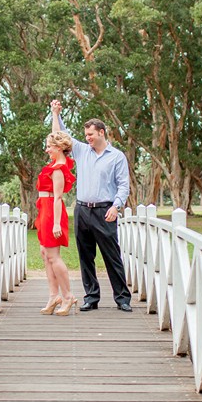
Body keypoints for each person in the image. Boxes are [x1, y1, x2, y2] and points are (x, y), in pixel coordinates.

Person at [51, 100, 132, 312]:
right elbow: (64, 135)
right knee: (85, 256)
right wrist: (56, 113)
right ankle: (91, 297)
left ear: (102, 133)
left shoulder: (117, 157)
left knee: (112, 256)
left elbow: (123, 185)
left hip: (105, 210)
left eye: (91, 134)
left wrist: (116, 206)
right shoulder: (82, 151)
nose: (87, 138)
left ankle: (122, 298)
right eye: (86, 134)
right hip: (82, 210)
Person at [35, 130, 78, 316]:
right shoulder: (54, 164)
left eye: (50, 147)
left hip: (53, 212)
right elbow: (55, 132)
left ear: (59, 148)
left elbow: (59, 198)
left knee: (53, 256)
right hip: (44, 209)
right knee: (45, 253)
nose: (47, 150)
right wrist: (54, 114)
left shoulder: (59, 169)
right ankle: (54, 295)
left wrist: (56, 224)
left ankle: (68, 296)